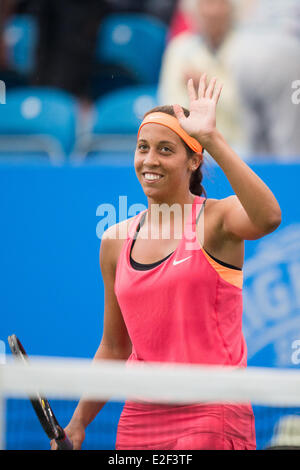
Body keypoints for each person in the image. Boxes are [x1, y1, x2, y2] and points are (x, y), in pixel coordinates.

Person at [51, 74, 281, 450]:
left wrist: (212, 138)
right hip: (140, 416)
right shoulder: (114, 241)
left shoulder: (217, 221)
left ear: (194, 160)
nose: (149, 160)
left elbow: (269, 216)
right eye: (142, 148)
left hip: (212, 409)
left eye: (165, 150)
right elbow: (113, 347)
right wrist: (78, 424)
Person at [158, 0, 245, 153]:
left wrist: (206, 87)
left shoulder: (248, 49)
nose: (213, 12)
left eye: (221, 4)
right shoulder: (179, 49)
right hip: (191, 147)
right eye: (206, 4)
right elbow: (170, 107)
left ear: (231, 8)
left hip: (241, 147)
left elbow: (247, 110)